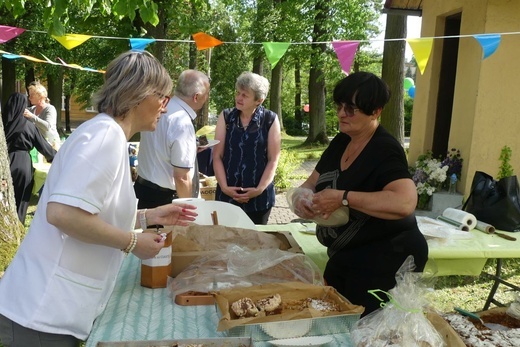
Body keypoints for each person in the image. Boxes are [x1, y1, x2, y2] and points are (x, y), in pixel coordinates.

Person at [0, 50, 198, 347]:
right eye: (163, 98)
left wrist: (149, 216)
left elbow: (92, 211)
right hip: (42, 312)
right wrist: (132, 242)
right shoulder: (105, 135)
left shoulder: (108, 134)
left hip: (55, 311)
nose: (165, 109)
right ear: (138, 94)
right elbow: (63, 214)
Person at [291, 72, 428, 316]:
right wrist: (302, 197)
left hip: (386, 259)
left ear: (375, 111)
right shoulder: (341, 141)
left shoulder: (384, 149)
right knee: (336, 317)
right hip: (347, 255)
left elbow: (405, 201)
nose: (342, 113)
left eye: (351, 109)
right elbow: (311, 182)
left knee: (365, 330)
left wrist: (343, 197)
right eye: (340, 106)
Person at [213, 71, 281, 225]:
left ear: (259, 100)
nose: (239, 98)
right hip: (227, 196)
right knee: (226, 243)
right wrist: (224, 187)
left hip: (259, 199)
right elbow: (217, 156)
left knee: (256, 244)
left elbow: (273, 158)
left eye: (245, 95)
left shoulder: (270, 119)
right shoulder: (226, 117)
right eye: (238, 93)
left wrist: (259, 189)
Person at [135, 69, 210, 208]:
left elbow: (160, 147)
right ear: (196, 97)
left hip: (142, 190)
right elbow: (182, 177)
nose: (206, 99)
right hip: (163, 200)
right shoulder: (182, 123)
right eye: (206, 95)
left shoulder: (159, 106)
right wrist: (189, 211)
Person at [2, 92, 57, 224]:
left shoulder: (2, 124)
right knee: (21, 200)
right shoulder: (29, 126)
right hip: (22, 164)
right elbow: (45, 149)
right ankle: (18, 225)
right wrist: (58, 157)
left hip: (4, 163)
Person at [23, 82, 61, 148]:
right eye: (29, 95)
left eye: (32, 95)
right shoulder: (31, 109)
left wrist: (31, 116)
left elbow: (47, 127)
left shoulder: (50, 109)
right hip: (38, 146)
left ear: (40, 96)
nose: (29, 98)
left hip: (51, 146)